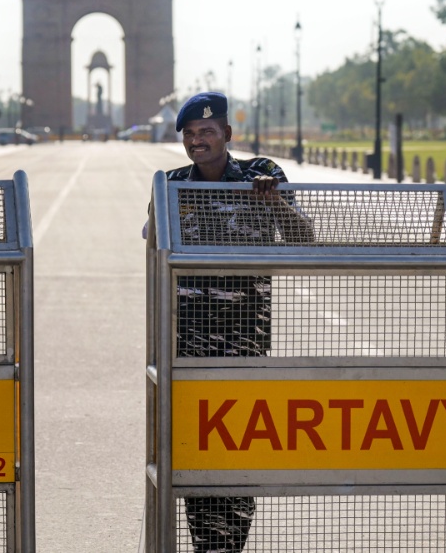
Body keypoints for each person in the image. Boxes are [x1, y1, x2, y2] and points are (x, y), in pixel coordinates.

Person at [156, 91, 312, 553]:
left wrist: (274, 203)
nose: (197, 141)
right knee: (192, 453)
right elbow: (151, 243)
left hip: (246, 341)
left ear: (227, 133)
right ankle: (207, 545)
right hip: (190, 346)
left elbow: (305, 239)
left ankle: (232, 545)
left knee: (241, 451)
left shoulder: (264, 175)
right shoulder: (172, 183)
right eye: (189, 134)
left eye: (207, 132)